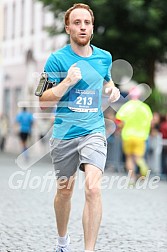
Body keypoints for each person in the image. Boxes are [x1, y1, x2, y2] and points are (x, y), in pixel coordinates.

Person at [39, 3, 120, 252]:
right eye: (77, 23)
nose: (82, 27)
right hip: (64, 134)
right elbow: (42, 102)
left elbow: (107, 81)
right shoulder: (57, 59)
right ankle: (62, 241)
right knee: (65, 191)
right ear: (68, 28)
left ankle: (89, 250)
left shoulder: (104, 57)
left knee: (93, 188)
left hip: (93, 130)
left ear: (92, 28)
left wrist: (112, 89)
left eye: (86, 22)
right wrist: (66, 83)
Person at [115, 86, 153, 184]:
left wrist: (119, 129)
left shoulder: (126, 107)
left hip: (127, 136)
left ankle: (131, 178)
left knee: (129, 158)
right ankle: (142, 165)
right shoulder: (145, 108)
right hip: (141, 136)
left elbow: (118, 121)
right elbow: (151, 121)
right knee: (138, 157)